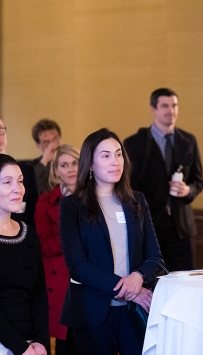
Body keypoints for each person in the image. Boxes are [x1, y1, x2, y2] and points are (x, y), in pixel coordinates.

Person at [59, 128, 164, 355]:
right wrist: (130, 290)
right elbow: (78, 266)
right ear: (89, 164)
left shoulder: (137, 201)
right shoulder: (72, 206)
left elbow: (155, 257)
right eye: (105, 156)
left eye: (118, 154)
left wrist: (137, 277)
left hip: (133, 312)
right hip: (92, 312)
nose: (115, 161)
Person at [0, 153, 49, 355]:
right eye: (7, 182)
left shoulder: (28, 234)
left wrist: (41, 341)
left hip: (31, 343)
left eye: (20, 181)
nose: (18, 189)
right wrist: (19, 347)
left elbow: (39, 293)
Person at [124, 88, 203, 272]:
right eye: (165, 106)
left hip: (182, 228)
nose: (171, 110)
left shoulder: (188, 141)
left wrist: (188, 190)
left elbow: (198, 181)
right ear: (154, 109)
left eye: (174, 105)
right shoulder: (135, 143)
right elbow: (129, 185)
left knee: (185, 281)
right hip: (150, 225)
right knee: (153, 282)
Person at [35, 145, 79, 355]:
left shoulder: (98, 199)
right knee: (65, 346)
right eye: (64, 165)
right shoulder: (44, 203)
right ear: (56, 171)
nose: (70, 169)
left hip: (93, 282)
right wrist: (70, 231)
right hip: (61, 283)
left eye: (75, 163)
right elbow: (43, 246)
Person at [30, 119, 62, 194]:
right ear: (38, 145)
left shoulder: (71, 161)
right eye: (46, 142)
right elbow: (32, 185)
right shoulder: (32, 166)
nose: (52, 145)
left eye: (55, 139)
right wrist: (45, 160)